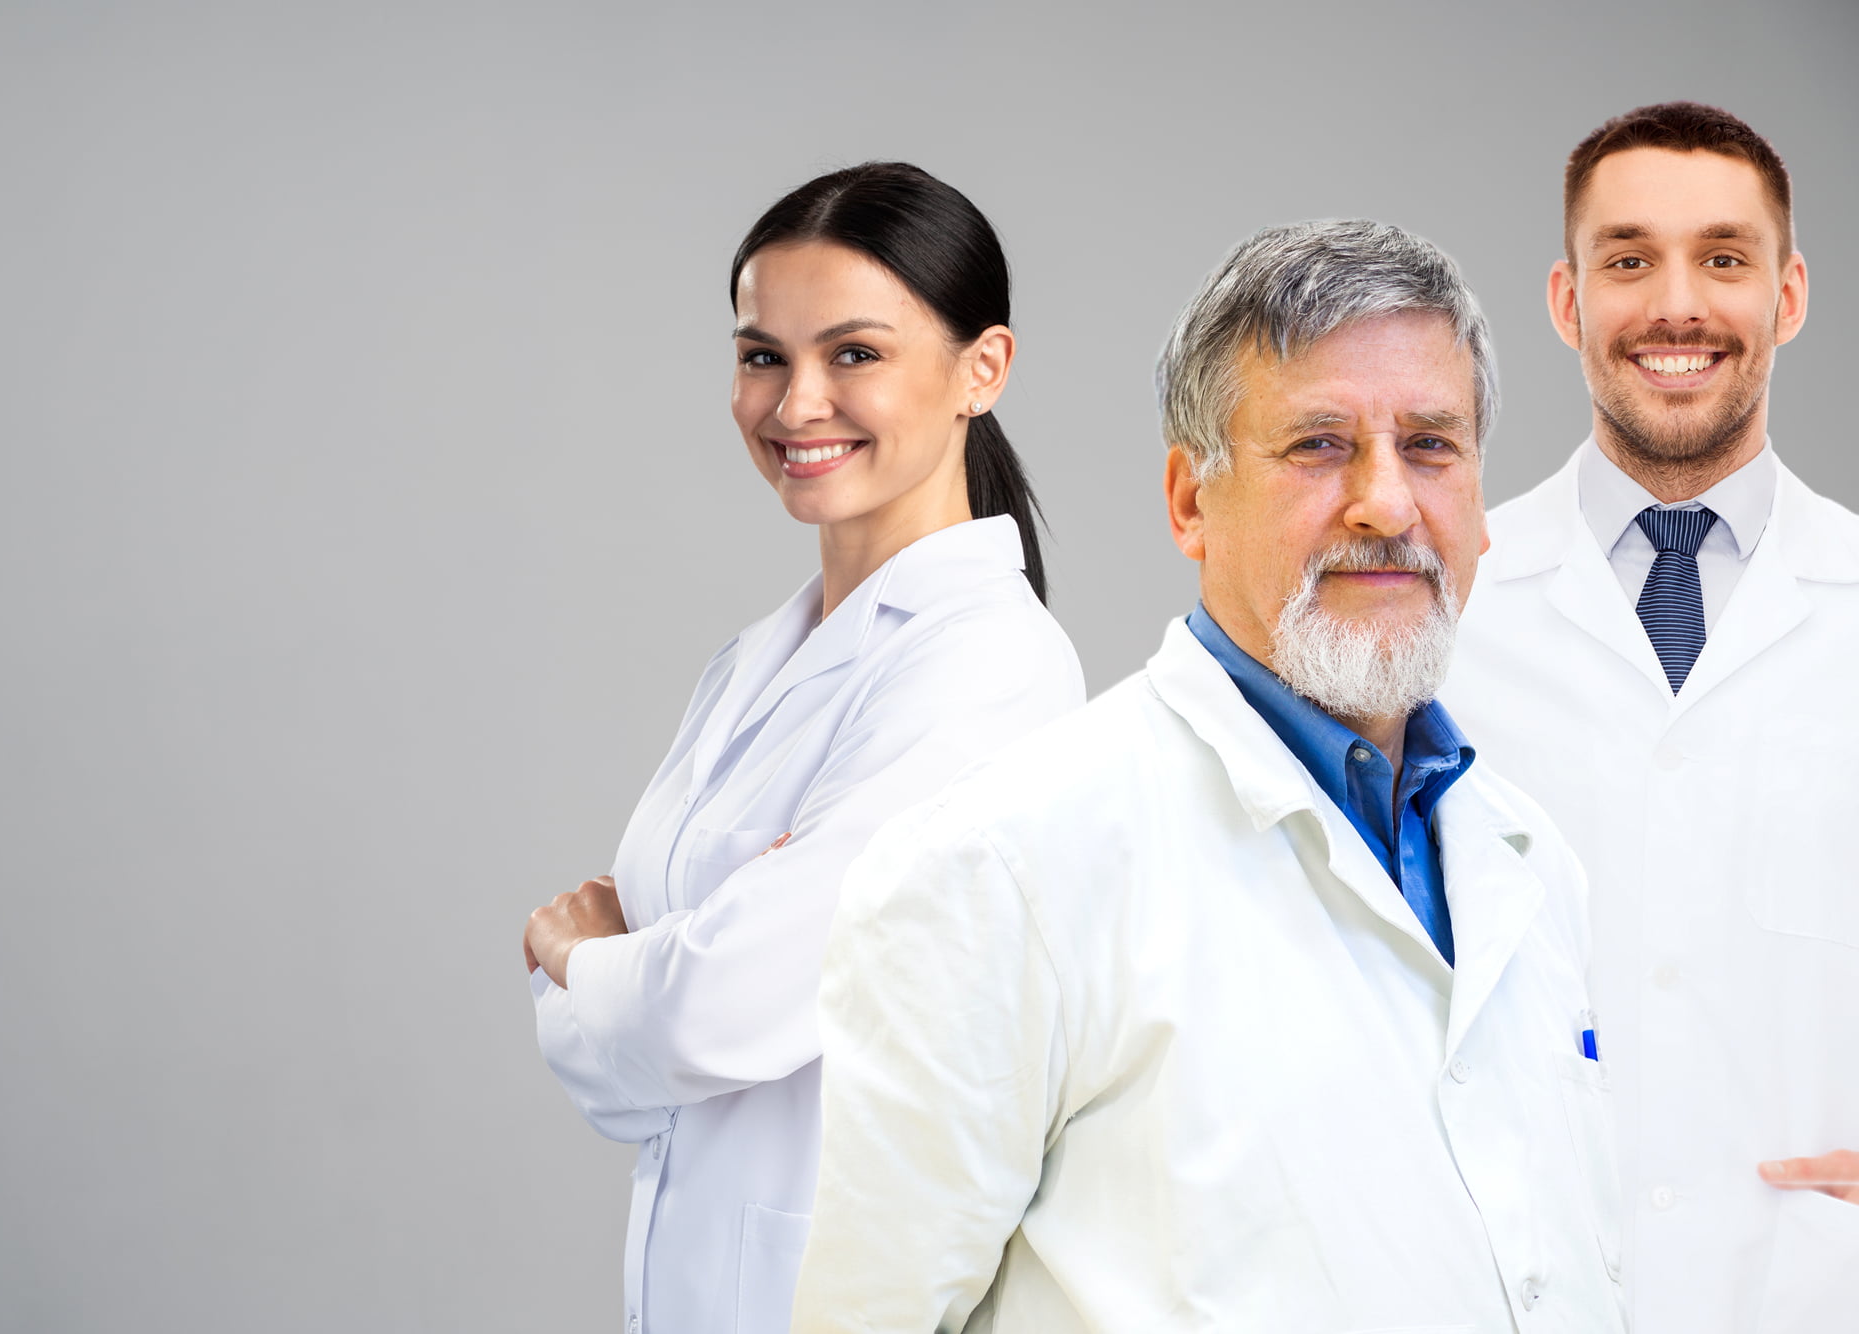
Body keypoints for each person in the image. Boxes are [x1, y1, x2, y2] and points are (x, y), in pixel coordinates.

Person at [793, 219, 1625, 1331]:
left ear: (1478, 504)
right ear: (1189, 500)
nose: (1386, 502)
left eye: (1430, 444)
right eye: (1319, 445)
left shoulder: (1531, 864)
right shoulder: (999, 867)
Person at [523, 162, 1084, 1334]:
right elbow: (628, 1082)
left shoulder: (989, 670)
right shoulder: (754, 661)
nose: (793, 405)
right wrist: (671, 977)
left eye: (854, 354)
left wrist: (582, 958)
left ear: (982, 368)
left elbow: (702, 1013)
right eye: (761, 355)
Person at [1446, 102, 1859, 1332]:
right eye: (1627, 260)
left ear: (1785, 296)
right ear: (1568, 303)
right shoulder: (1442, 606)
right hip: (1511, 1282)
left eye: (1721, 259)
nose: (1674, 306)